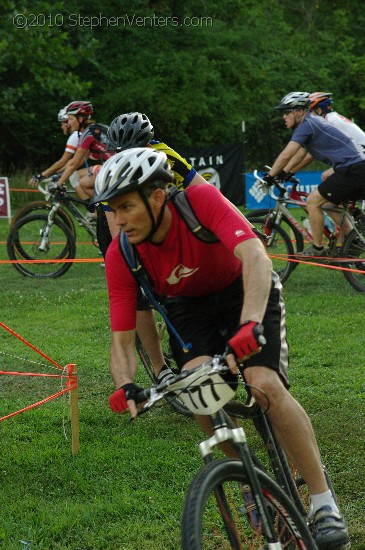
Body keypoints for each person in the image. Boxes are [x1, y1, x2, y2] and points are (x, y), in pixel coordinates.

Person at [92, 147, 349, 550]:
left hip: (245, 287)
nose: (118, 221)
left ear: (157, 197)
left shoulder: (199, 201)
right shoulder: (121, 253)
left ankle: (323, 502)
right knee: (200, 392)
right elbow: (122, 341)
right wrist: (125, 384)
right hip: (189, 308)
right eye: (113, 210)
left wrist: (249, 325)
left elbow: (255, 257)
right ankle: (253, 487)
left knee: (264, 385)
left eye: (126, 206)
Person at [263, 91, 365, 258]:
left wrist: (270, 176)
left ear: (300, 111)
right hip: (354, 167)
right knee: (329, 204)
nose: (284, 117)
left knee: (313, 201)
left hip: (351, 168)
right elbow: (300, 155)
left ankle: (317, 249)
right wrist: (284, 173)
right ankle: (352, 242)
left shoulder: (307, 125)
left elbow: (286, 154)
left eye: (287, 112)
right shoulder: (312, 123)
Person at [27, 107, 80, 188]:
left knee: (74, 178)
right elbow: (73, 161)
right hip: (103, 167)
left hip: (103, 167)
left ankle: (94, 201)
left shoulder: (75, 136)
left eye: (62, 124)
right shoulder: (78, 135)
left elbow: (63, 161)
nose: (61, 127)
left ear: (67, 123)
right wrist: (56, 173)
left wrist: (41, 175)